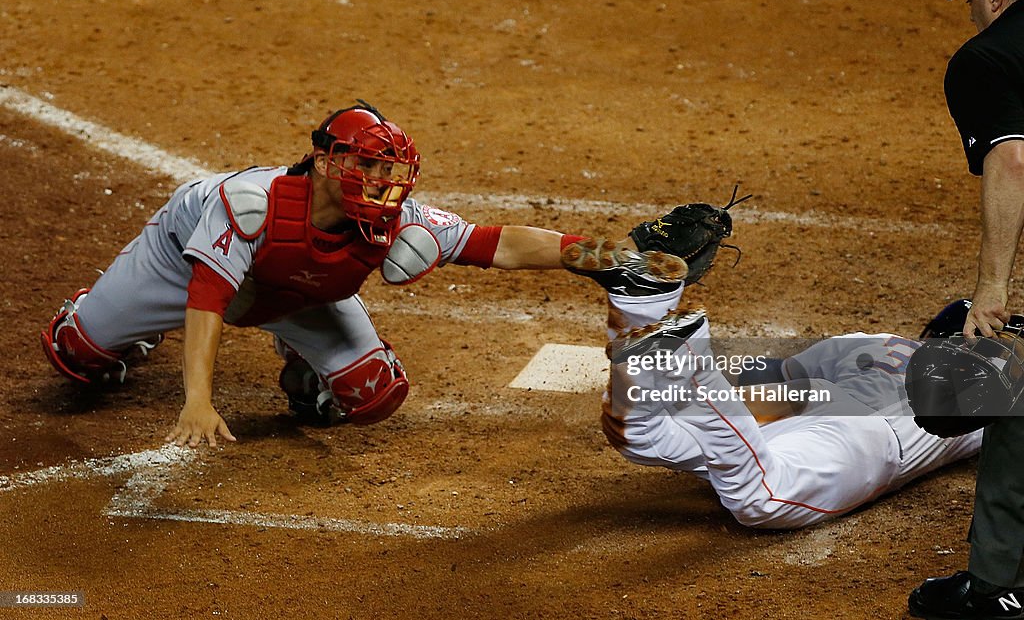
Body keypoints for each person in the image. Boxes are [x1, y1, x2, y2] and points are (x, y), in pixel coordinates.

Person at [39, 101, 585, 448]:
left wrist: (587, 253)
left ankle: (304, 361)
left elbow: (493, 243)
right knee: (75, 353)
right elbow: (208, 298)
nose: (381, 182)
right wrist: (198, 401)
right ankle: (120, 322)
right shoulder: (251, 203)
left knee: (372, 393)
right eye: (366, 166)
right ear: (325, 162)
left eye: (390, 171)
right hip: (180, 263)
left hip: (292, 294)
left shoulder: (400, 222)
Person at [561, 237, 984, 530]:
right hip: (870, 436)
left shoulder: (871, 344)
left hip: (809, 402)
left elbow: (777, 380)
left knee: (644, 436)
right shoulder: (984, 389)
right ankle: (688, 355)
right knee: (758, 498)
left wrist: (698, 406)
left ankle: (642, 305)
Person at [907, 0, 1024, 619]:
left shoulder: (986, 59)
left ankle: (996, 589)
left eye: (974, 4)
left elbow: (1012, 161)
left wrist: (992, 285)